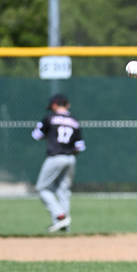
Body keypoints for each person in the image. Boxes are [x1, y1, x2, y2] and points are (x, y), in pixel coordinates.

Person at [31, 93, 86, 233]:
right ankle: (64, 227)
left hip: (55, 157)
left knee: (42, 188)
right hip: (70, 158)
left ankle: (60, 216)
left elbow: (36, 135)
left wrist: (49, 134)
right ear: (68, 105)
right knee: (63, 191)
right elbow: (80, 146)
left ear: (54, 105)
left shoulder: (50, 118)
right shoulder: (74, 121)